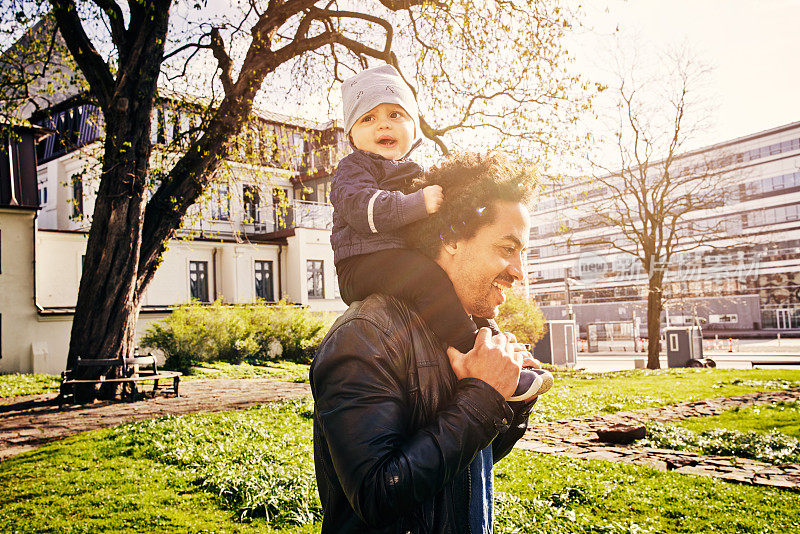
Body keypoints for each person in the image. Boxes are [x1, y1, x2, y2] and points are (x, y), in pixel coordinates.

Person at [312, 152, 541, 533]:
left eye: (523, 254)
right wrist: (482, 398)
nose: (520, 272)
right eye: (506, 249)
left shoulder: (472, 332)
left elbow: (467, 462)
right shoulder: (367, 335)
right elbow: (376, 494)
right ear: (451, 237)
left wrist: (510, 402)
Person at [330, 64, 549, 401]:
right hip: (362, 262)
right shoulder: (354, 168)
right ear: (352, 136)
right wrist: (416, 204)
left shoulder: (413, 172)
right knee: (428, 278)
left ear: (413, 130)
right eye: (367, 119)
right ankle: (474, 353)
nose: (383, 124)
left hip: (396, 257)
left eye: (395, 114)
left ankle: (499, 353)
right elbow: (362, 209)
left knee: (460, 290)